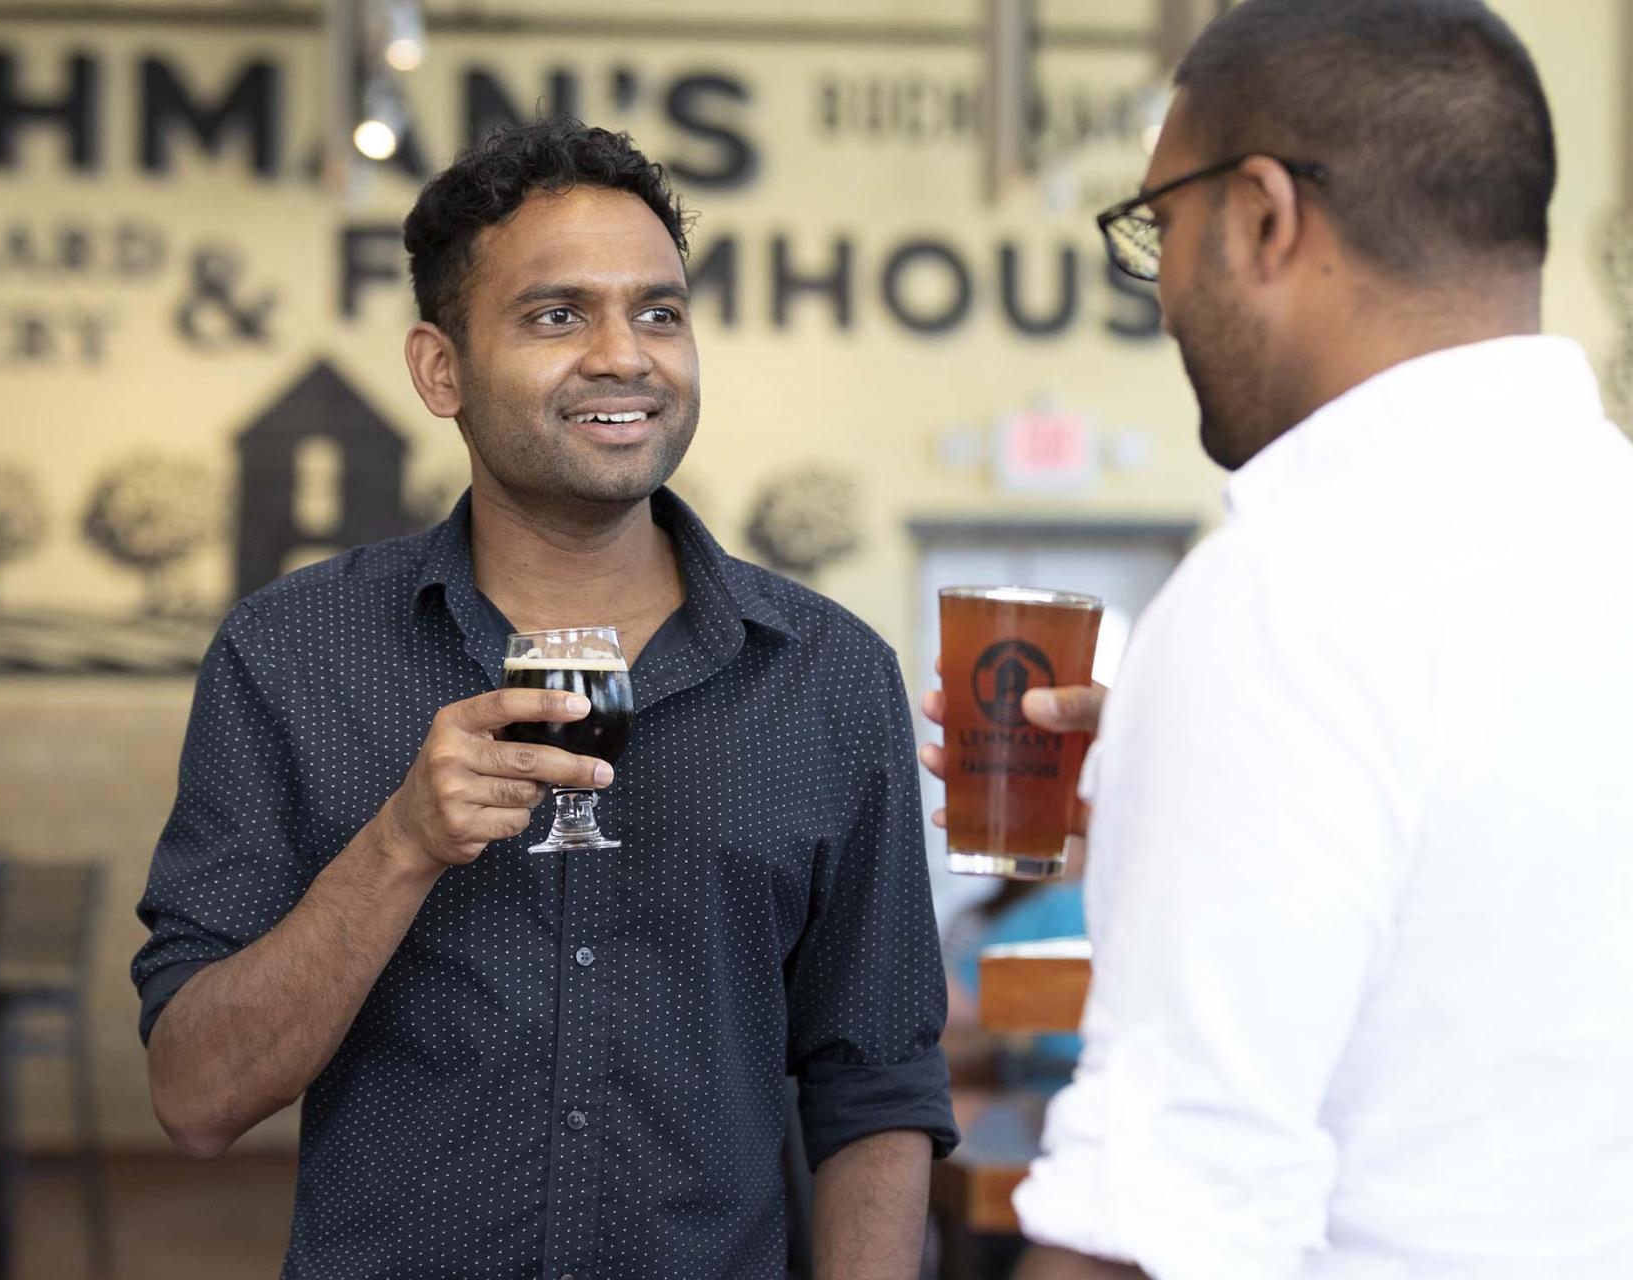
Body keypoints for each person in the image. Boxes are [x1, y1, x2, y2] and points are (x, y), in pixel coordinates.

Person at [131, 118, 956, 1278]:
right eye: (558, 314)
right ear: (440, 369)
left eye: (660, 311)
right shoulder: (291, 654)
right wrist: (401, 845)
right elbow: (196, 1093)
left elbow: (876, 1077)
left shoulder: (826, 673)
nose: (626, 354)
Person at [929, 2, 1633, 1276]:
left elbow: (1162, 1218)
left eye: (1163, 224)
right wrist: (1174, 807)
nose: (1162, 295)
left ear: (1262, 214)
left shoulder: (1290, 587)